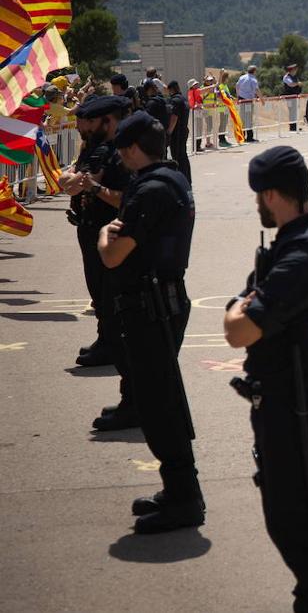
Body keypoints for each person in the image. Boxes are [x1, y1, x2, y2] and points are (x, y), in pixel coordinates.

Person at [223, 146, 308, 612]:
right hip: (285, 397)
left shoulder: (305, 254)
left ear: (274, 194)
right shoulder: (297, 242)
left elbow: (238, 328)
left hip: (296, 402)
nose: (257, 202)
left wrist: (241, 308)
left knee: (303, 525)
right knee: (290, 518)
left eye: (260, 194)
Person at [97, 111, 204, 533]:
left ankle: (184, 498)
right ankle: (176, 489)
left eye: (123, 151)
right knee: (161, 400)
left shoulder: (151, 191)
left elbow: (113, 254)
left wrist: (107, 232)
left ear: (130, 149)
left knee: (159, 407)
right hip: (162, 301)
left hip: (149, 306)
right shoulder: (173, 179)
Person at [58, 94, 138, 428]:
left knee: (111, 299)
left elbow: (92, 187)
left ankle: (116, 356)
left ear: (107, 121)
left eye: (87, 121)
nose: (81, 126)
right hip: (89, 227)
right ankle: (106, 341)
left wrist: (85, 184)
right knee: (99, 294)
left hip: (110, 233)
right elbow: (66, 183)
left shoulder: (116, 154)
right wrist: (78, 183)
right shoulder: (92, 149)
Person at [166, 81, 192, 186]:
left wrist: (169, 131)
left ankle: (180, 180)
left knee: (177, 156)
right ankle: (187, 179)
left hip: (177, 133)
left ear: (171, 89)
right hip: (183, 131)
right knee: (183, 156)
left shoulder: (175, 101)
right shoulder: (183, 99)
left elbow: (174, 117)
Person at [236, 65, 260, 142]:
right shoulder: (253, 79)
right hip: (248, 101)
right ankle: (249, 137)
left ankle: (242, 136)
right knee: (248, 119)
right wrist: (262, 99)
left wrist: (238, 96)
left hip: (241, 99)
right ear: (254, 71)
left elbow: (237, 86)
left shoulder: (242, 77)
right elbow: (257, 90)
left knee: (242, 118)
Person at [281, 64, 302, 132]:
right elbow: (291, 84)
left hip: (294, 97)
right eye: (295, 69)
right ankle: (292, 127)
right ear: (291, 70)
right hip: (289, 97)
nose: (296, 71)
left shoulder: (294, 77)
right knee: (291, 111)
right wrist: (298, 84)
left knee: (295, 112)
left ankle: (295, 126)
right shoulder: (286, 77)